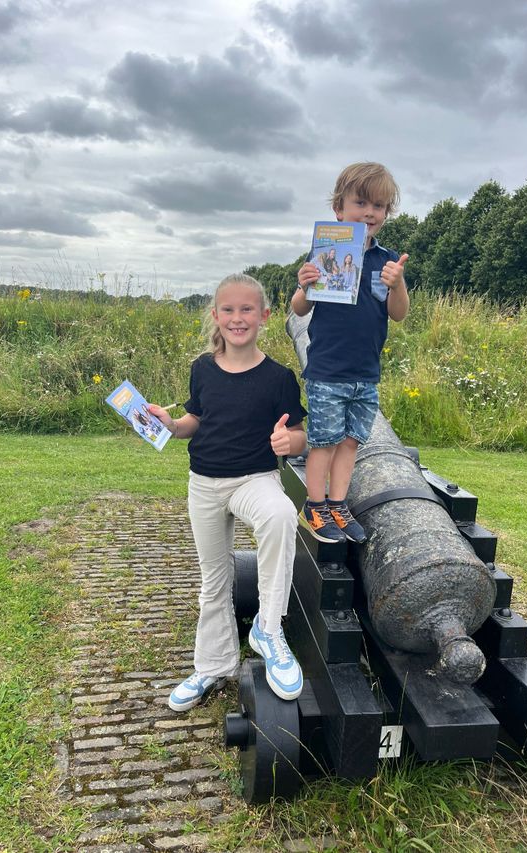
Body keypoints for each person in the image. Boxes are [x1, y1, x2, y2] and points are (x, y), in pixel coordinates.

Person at [148, 273, 308, 712]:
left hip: (254, 480)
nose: (237, 318)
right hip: (204, 484)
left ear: (264, 316)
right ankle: (212, 666)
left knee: (279, 516)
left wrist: (289, 443)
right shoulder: (202, 368)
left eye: (247, 310)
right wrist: (171, 424)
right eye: (228, 310)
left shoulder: (279, 377)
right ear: (216, 316)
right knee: (213, 579)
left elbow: (300, 435)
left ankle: (269, 629)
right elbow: (194, 421)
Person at [290, 162, 410, 545]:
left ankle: (338, 505)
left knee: (350, 443)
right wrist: (304, 284)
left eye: (379, 206)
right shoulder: (324, 253)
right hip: (328, 369)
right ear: (339, 209)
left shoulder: (387, 261)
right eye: (361, 202)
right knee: (323, 441)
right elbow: (299, 309)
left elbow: (398, 313)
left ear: (386, 215)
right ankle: (315, 505)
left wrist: (399, 284)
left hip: (365, 371)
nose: (370, 212)